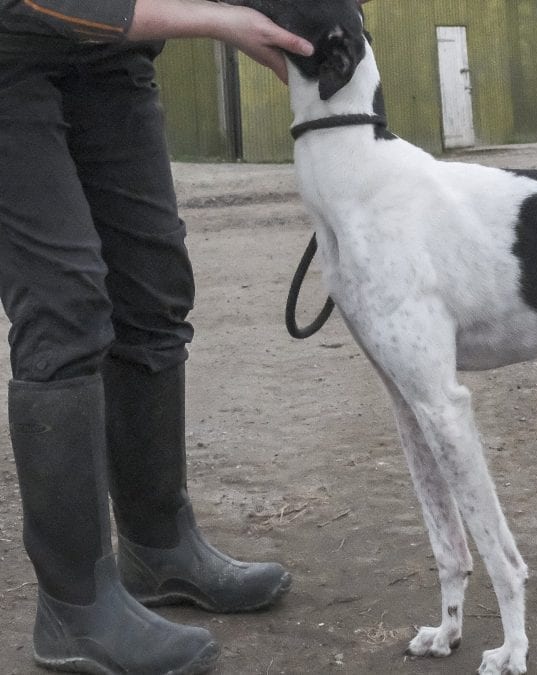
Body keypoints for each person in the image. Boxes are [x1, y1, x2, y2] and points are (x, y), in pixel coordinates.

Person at [0, 1, 314, 672]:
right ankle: (74, 606)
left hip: (111, 61)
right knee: (65, 305)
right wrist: (225, 22)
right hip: (9, 51)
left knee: (151, 286)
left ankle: (158, 546)